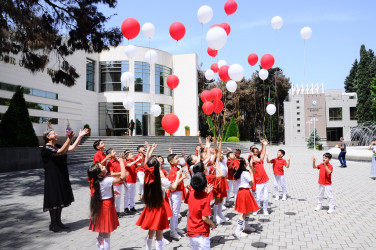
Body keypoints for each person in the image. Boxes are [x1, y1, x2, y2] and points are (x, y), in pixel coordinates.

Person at [41, 128, 88, 232]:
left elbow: (70, 148)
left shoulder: (56, 146)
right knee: (54, 199)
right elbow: (60, 152)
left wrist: (79, 137)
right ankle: (53, 224)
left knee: (60, 199)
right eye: (53, 133)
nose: (56, 134)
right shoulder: (46, 149)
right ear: (47, 136)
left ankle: (58, 221)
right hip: (53, 178)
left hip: (61, 175)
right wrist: (68, 138)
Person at [136, 157, 186, 250]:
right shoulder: (162, 181)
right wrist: (179, 175)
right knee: (159, 233)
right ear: (158, 168)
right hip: (159, 208)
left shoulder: (146, 179)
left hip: (150, 207)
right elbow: (173, 187)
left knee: (150, 232)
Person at [88, 152, 127, 250]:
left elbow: (101, 190)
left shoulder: (97, 180)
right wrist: (122, 162)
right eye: (102, 167)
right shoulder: (106, 180)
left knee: (102, 230)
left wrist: (112, 190)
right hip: (106, 207)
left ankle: (100, 247)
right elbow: (123, 176)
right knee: (107, 233)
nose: (104, 166)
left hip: (100, 205)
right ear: (100, 173)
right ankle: (105, 247)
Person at [186, 172, 216, 249]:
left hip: (191, 230)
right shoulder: (205, 199)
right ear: (205, 184)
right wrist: (212, 223)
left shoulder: (191, 193)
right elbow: (205, 218)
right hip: (201, 232)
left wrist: (206, 192)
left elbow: (198, 200)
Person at [233, 158, 259, 238]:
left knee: (248, 210)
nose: (248, 162)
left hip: (242, 192)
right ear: (244, 164)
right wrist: (251, 173)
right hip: (245, 192)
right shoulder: (245, 173)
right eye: (247, 162)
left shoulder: (240, 172)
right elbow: (252, 183)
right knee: (244, 212)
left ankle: (246, 226)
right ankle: (237, 230)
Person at [167, 153, 187, 240]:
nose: (178, 159)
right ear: (171, 162)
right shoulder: (172, 171)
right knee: (174, 212)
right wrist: (182, 177)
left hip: (178, 192)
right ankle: (172, 231)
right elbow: (173, 184)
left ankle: (175, 227)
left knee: (177, 211)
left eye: (178, 158)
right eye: (176, 158)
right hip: (174, 193)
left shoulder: (177, 168)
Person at [249, 139, 269, 215]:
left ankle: (265, 210)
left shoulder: (260, 161)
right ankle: (256, 209)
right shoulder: (252, 163)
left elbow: (263, 152)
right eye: (254, 154)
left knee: (266, 197)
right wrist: (251, 158)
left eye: (257, 153)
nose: (256, 155)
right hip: (258, 182)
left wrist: (264, 145)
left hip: (265, 181)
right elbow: (250, 165)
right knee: (258, 197)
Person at [107, 148, 125, 217]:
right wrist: (122, 173)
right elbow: (111, 173)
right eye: (113, 152)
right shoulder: (110, 162)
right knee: (115, 197)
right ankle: (113, 211)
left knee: (119, 197)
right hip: (114, 181)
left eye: (115, 151)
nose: (115, 152)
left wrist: (121, 160)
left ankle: (117, 211)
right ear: (110, 154)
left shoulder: (118, 161)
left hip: (119, 181)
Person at [123, 150, 142, 214]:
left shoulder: (134, 162)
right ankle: (125, 207)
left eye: (132, 154)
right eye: (130, 155)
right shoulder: (126, 162)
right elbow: (129, 165)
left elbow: (141, 164)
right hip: (128, 180)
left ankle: (132, 207)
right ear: (127, 157)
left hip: (133, 181)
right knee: (127, 195)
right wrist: (136, 160)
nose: (132, 155)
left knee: (132, 194)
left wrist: (141, 159)